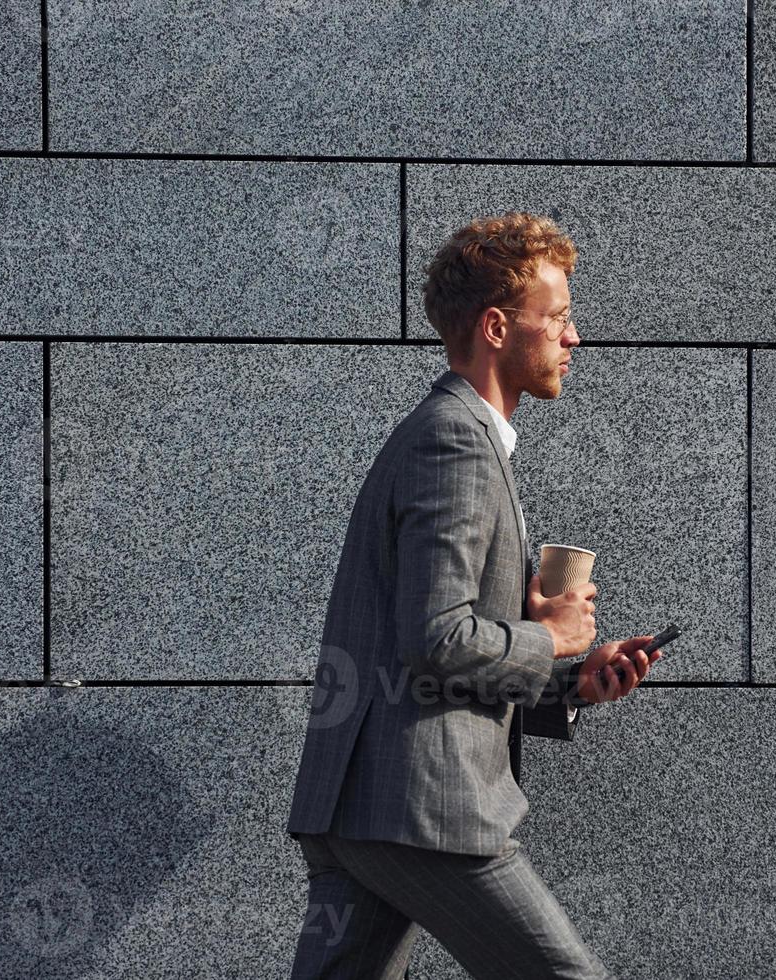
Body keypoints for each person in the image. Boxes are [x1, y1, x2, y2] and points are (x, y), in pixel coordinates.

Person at [284, 211, 663, 979]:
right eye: (556, 317)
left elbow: (430, 646)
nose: (573, 337)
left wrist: (570, 682)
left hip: (369, 805)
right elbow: (437, 637)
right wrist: (552, 638)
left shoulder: (454, 436)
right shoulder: (455, 440)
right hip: (422, 805)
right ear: (496, 326)